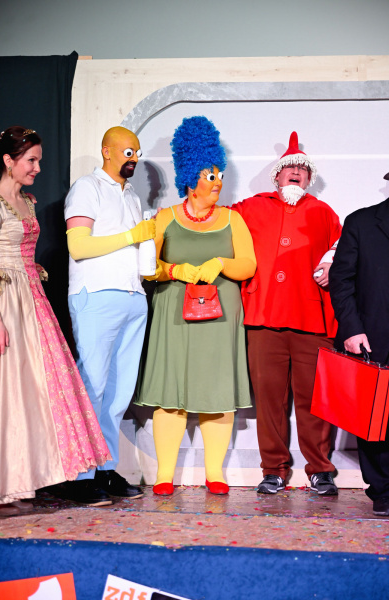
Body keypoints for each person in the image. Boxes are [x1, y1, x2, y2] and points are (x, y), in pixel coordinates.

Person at [135, 116, 256, 495]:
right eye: (210, 175)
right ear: (190, 176)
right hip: (174, 317)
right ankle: (164, 474)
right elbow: (146, 268)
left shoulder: (233, 219)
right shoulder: (165, 218)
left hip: (221, 320)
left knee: (217, 392)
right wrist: (175, 270)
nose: (218, 181)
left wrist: (220, 263)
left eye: (220, 174)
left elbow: (249, 265)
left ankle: (215, 473)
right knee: (171, 392)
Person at [0, 126, 111, 517]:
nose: (37, 168)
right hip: (5, 302)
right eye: (31, 160)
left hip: (32, 300)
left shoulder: (27, 201)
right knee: (7, 391)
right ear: (9, 161)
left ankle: (20, 479)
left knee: (31, 392)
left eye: (39, 160)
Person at [232, 131, 341, 495]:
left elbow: (344, 249)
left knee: (316, 402)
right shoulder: (249, 208)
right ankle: (273, 469)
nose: (296, 172)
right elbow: (214, 227)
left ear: (309, 180)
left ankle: (320, 470)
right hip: (263, 318)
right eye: (290, 167)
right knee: (269, 401)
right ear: (276, 175)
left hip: (312, 320)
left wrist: (333, 264)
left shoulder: (324, 213)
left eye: (303, 169)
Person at [63, 126, 156, 506]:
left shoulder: (131, 195)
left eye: (137, 152)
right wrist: (133, 236)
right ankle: (81, 475)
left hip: (132, 296)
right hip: (97, 295)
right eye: (128, 151)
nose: (134, 158)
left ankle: (104, 467)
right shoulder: (87, 188)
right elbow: (78, 246)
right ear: (107, 151)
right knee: (94, 386)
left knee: (119, 394)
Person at [329, 168, 389, 516]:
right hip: (374, 337)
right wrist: (353, 330)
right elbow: (341, 281)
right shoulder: (361, 222)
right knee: (376, 421)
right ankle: (383, 491)